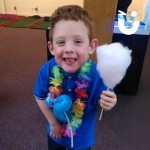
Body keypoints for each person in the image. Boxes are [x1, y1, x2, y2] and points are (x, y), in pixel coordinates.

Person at [33, 5, 117, 150]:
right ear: (51, 48)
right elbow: (39, 97)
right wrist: (53, 123)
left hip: (81, 140)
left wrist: (110, 101)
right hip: (55, 134)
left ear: (91, 46)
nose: (69, 49)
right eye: (61, 42)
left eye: (77, 41)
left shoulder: (97, 74)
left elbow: (107, 95)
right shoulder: (46, 70)